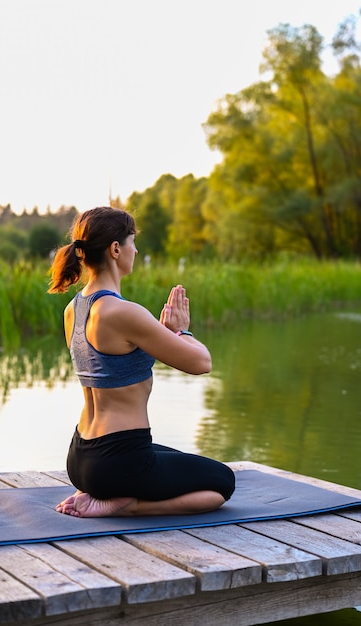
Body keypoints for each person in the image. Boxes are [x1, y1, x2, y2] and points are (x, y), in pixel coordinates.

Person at [48, 206, 235, 518]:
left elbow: (118, 363)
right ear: (116, 249)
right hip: (118, 462)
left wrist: (164, 335)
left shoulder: (74, 309)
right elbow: (202, 363)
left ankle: (94, 491)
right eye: (133, 242)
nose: (136, 250)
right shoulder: (124, 312)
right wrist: (182, 331)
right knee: (220, 484)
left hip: (80, 458)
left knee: (179, 459)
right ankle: (124, 504)